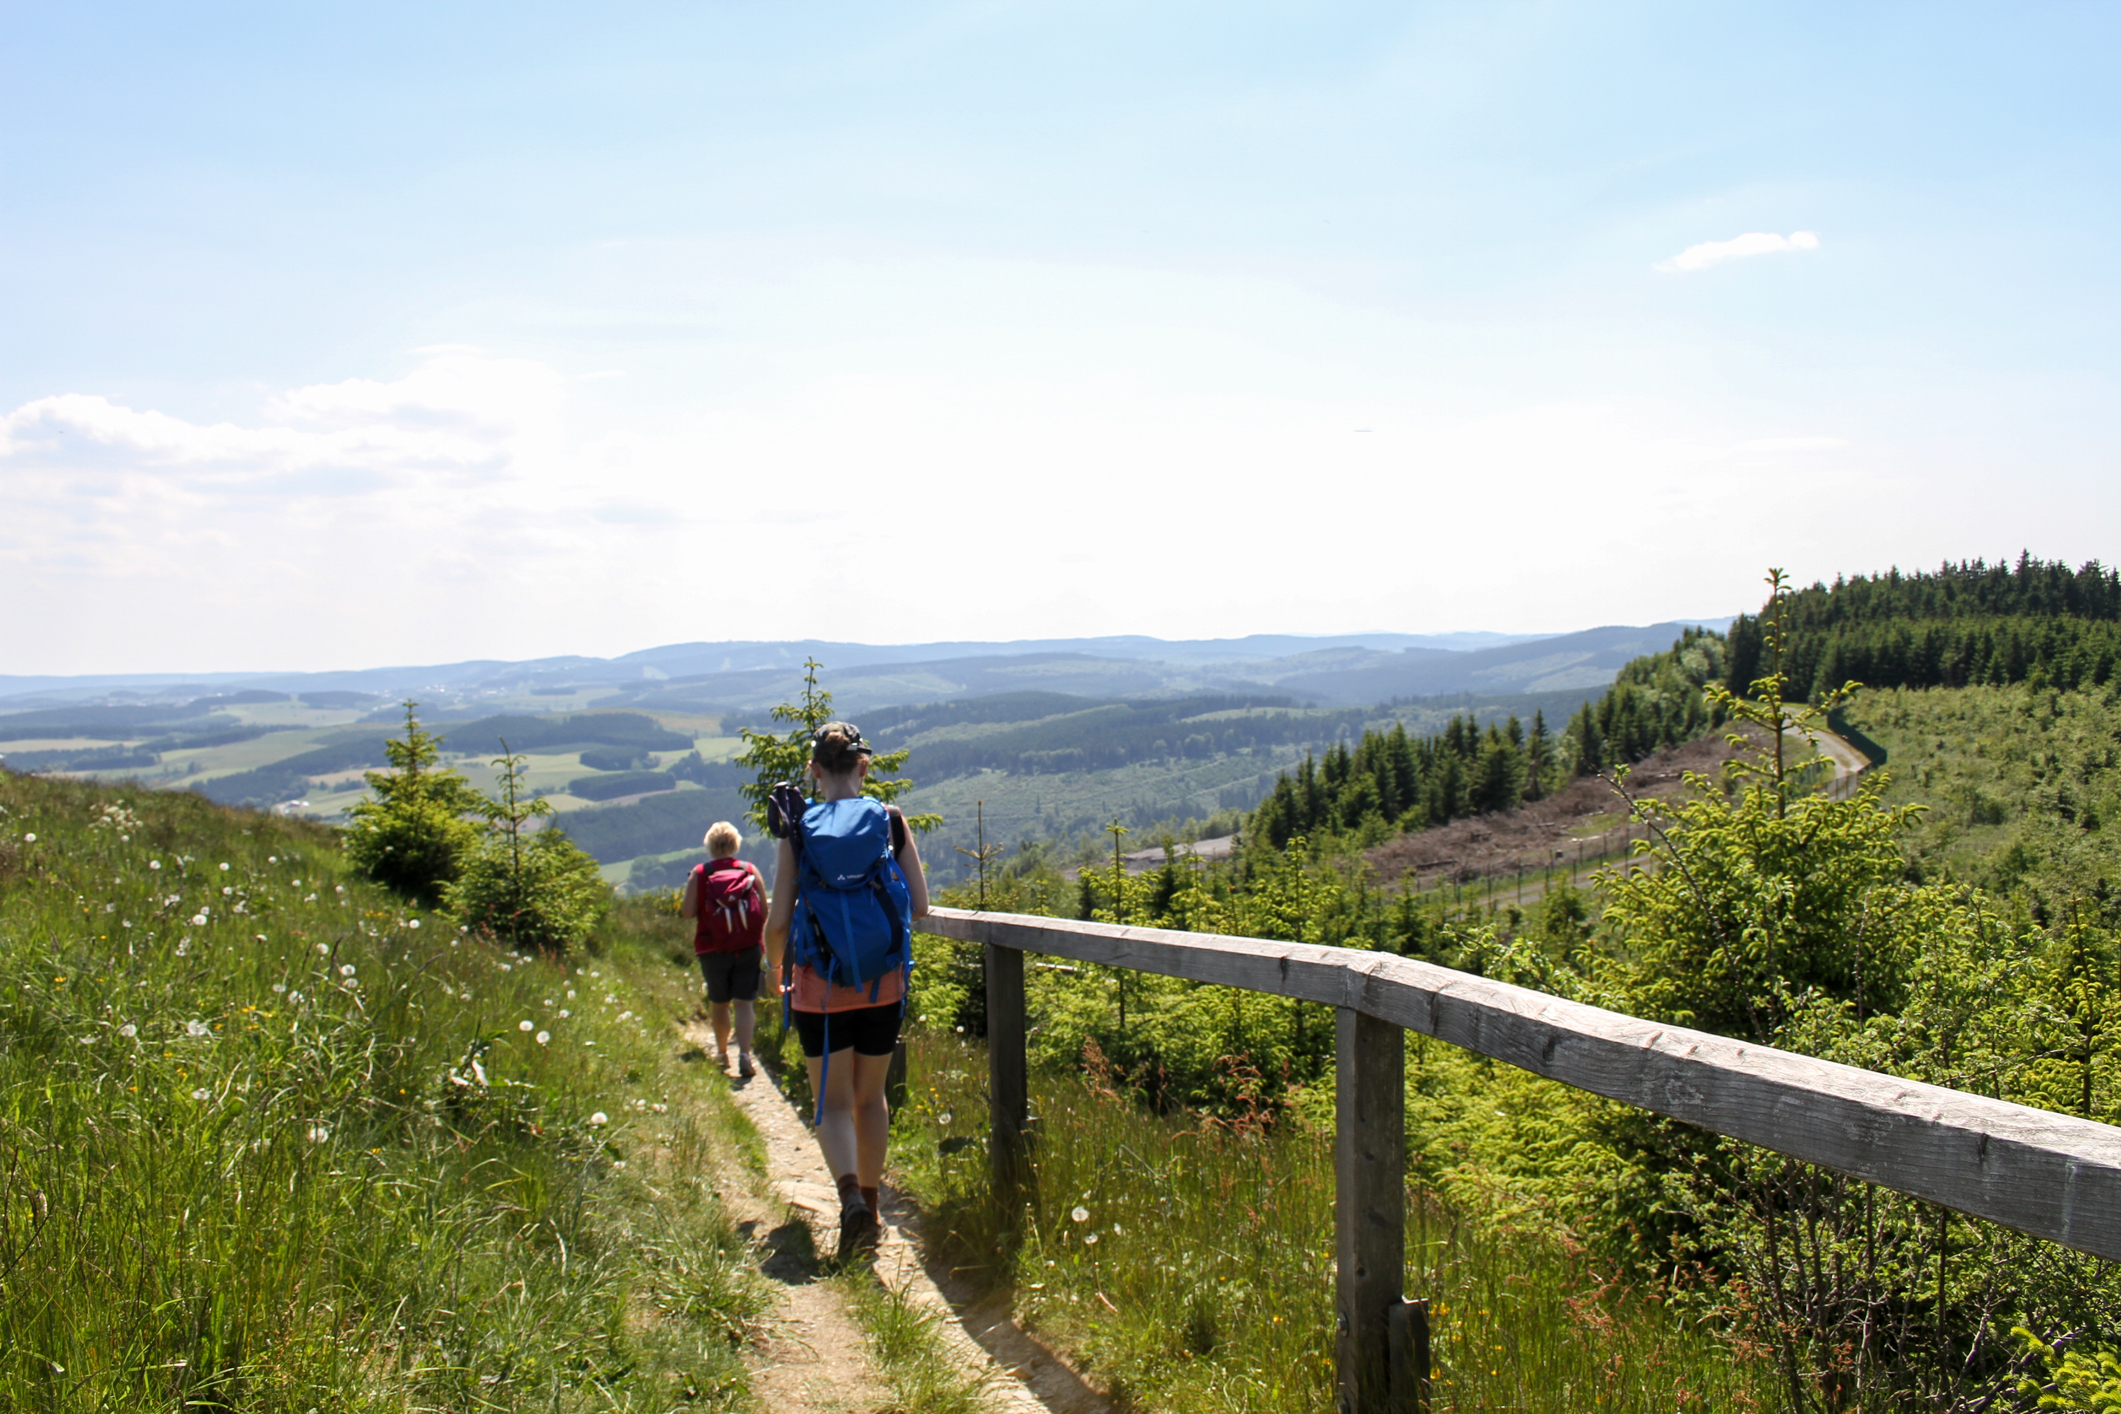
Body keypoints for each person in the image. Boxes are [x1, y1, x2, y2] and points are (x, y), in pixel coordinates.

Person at [764, 722, 929, 1258]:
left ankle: (848, 1199)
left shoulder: (799, 831)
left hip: (819, 989)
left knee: (832, 1103)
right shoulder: (891, 821)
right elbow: (921, 905)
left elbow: (778, 920)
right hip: (883, 984)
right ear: (863, 767)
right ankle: (873, 1207)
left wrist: (773, 970)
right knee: (870, 1099)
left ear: (814, 772)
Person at [679, 820, 766, 1078]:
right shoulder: (749, 870)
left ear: (709, 845)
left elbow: (687, 912)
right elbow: (764, 910)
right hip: (748, 948)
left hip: (712, 948)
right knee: (744, 1004)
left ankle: (721, 1053)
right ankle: (745, 1054)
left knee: (719, 1003)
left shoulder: (700, 873)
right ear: (735, 843)